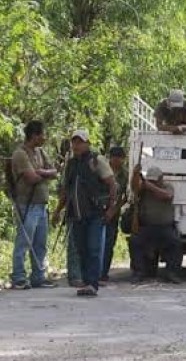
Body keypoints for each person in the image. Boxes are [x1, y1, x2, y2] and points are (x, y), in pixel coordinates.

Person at [53, 130, 117, 297]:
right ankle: (86, 282)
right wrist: (57, 211)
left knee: (93, 248)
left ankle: (92, 284)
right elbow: (66, 191)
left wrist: (111, 208)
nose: (76, 145)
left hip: (95, 213)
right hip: (76, 214)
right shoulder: (71, 164)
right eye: (74, 142)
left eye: (80, 142)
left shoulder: (97, 160)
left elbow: (112, 184)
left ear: (87, 143)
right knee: (81, 249)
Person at [9, 121, 58, 290]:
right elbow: (31, 178)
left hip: (41, 205)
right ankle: (18, 277)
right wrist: (44, 174)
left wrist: (42, 172)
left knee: (40, 244)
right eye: (42, 134)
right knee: (23, 242)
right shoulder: (20, 154)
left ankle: (38, 276)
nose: (44, 138)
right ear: (34, 135)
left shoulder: (41, 152)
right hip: (27, 205)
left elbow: (54, 172)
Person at [129, 166, 182, 284]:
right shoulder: (144, 189)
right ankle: (138, 272)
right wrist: (135, 174)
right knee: (134, 241)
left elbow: (167, 196)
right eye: (150, 180)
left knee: (175, 243)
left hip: (165, 227)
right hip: (147, 226)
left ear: (161, 178)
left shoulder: (167, 187)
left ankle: (172, 273)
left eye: (155, 180)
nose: (152, 182)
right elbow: (134, 187)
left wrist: (149, 186)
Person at [100, 146, 129, 283]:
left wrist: (114, 210)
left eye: (120, 158)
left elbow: (125, 196)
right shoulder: (102, 169)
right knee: (96, 242)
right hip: (99, 209)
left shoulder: (125, 174)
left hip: (114, 212)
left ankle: (104, 272)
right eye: (114, 158)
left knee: (109, 243)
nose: (117, 161)